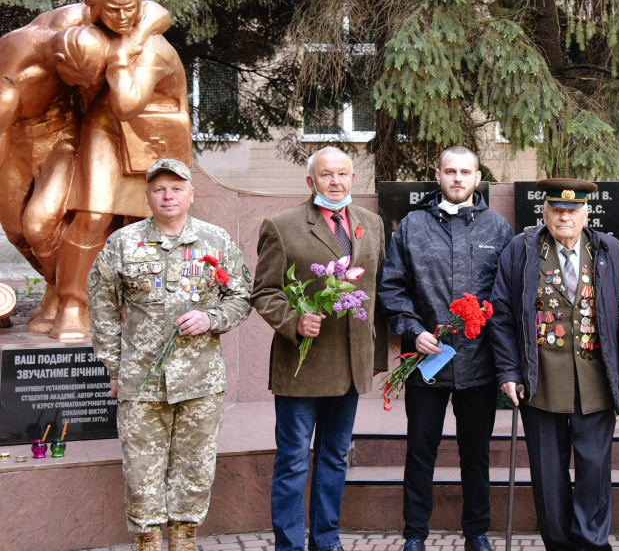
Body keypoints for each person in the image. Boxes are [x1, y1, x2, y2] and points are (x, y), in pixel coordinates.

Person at [88, 158, 252, 551]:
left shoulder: (218, 241)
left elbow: (242, 297)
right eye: (159, 189)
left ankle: (184, 541)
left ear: (191, 195)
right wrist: (113, 368)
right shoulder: (122, 245)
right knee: (141, 471)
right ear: (147, 196)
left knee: (195, 469)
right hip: (141, 382)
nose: (168, 195)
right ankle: (147, 542)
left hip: (201, 381)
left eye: (176, 188)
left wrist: (211, 318)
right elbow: (102, 307)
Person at [0, 0, 172, 337]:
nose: (89, 87)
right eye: (83, 80)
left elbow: (156, 12)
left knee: (43, 222)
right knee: (16, 230)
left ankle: (72, 298)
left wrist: (132, 40)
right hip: (15, 138)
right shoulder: (15, 68)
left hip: (70, 133)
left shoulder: (113, 27)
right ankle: (59, 292)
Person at [490, 178, 619, 551]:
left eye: (573, 210)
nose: (564, 217)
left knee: (594, 470)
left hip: (596, 380)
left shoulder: (609, 249)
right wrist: (509, 371)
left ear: (587, 213)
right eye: (557, 209)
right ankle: (558, 542)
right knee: (548, 473)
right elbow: (502, 314)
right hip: (540, 381)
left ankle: (590, 542)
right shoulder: (521, 250)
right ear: (544, 211)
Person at [377, 146, 514, 551]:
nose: (457, 178)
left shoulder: (498, 229)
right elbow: (392, 288)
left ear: (477, 177)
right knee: (420, 452)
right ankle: (415, 534)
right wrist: (412, 330)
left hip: (479, 365)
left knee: (476, 455)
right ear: (436, 175)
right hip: (425, 362)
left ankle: (477, 533)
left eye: (465, 172)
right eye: (450, 171)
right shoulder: (412, 227)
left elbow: (504, 298)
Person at [251, 147, 386, 551]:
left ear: (352, 178)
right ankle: (289, 545)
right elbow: (264, 291)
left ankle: (326, 541)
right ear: (311, 182)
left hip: (349, 367)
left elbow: (374, 295)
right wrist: (295, 321)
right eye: (326, 175)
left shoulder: (371, 224)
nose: (336, 182)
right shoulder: (281, 225)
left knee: (333, 459)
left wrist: (374, 359)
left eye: (343, 174)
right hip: (301, 368)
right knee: (293, 462)